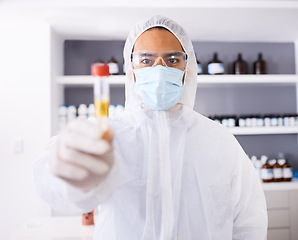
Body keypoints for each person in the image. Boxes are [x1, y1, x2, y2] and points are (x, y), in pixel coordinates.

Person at [34, 15, 267, 240]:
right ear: (131, 68)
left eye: (172, 59)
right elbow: (52, 186)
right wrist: (68, 172)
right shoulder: (106, 134)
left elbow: (249, 220)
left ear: (187, 68)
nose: (159, 68)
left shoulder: (219, 140)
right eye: (146, 60)